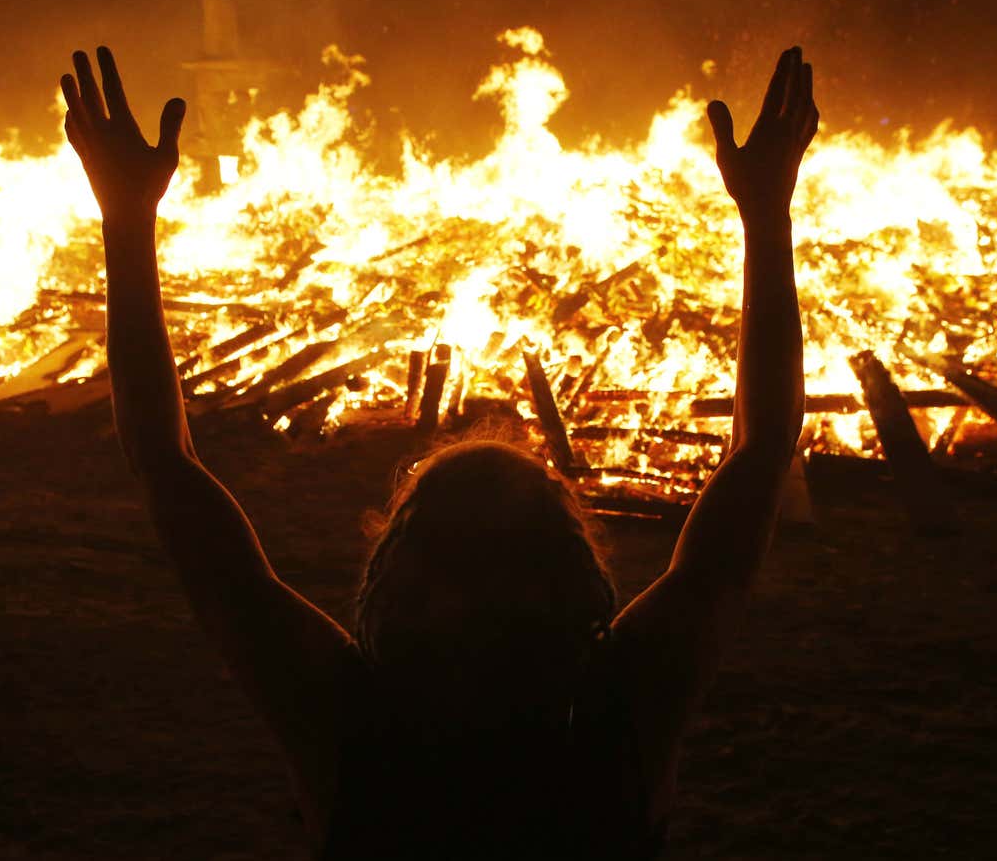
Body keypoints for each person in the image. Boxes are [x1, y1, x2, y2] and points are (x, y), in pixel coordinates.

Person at [60, 43, 816, 860]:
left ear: (398, 572)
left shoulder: (341, 721)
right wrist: (766, 213)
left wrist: (127, 220)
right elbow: (764, 451)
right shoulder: (625, 708)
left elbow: (166, 465)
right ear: (573, 574)